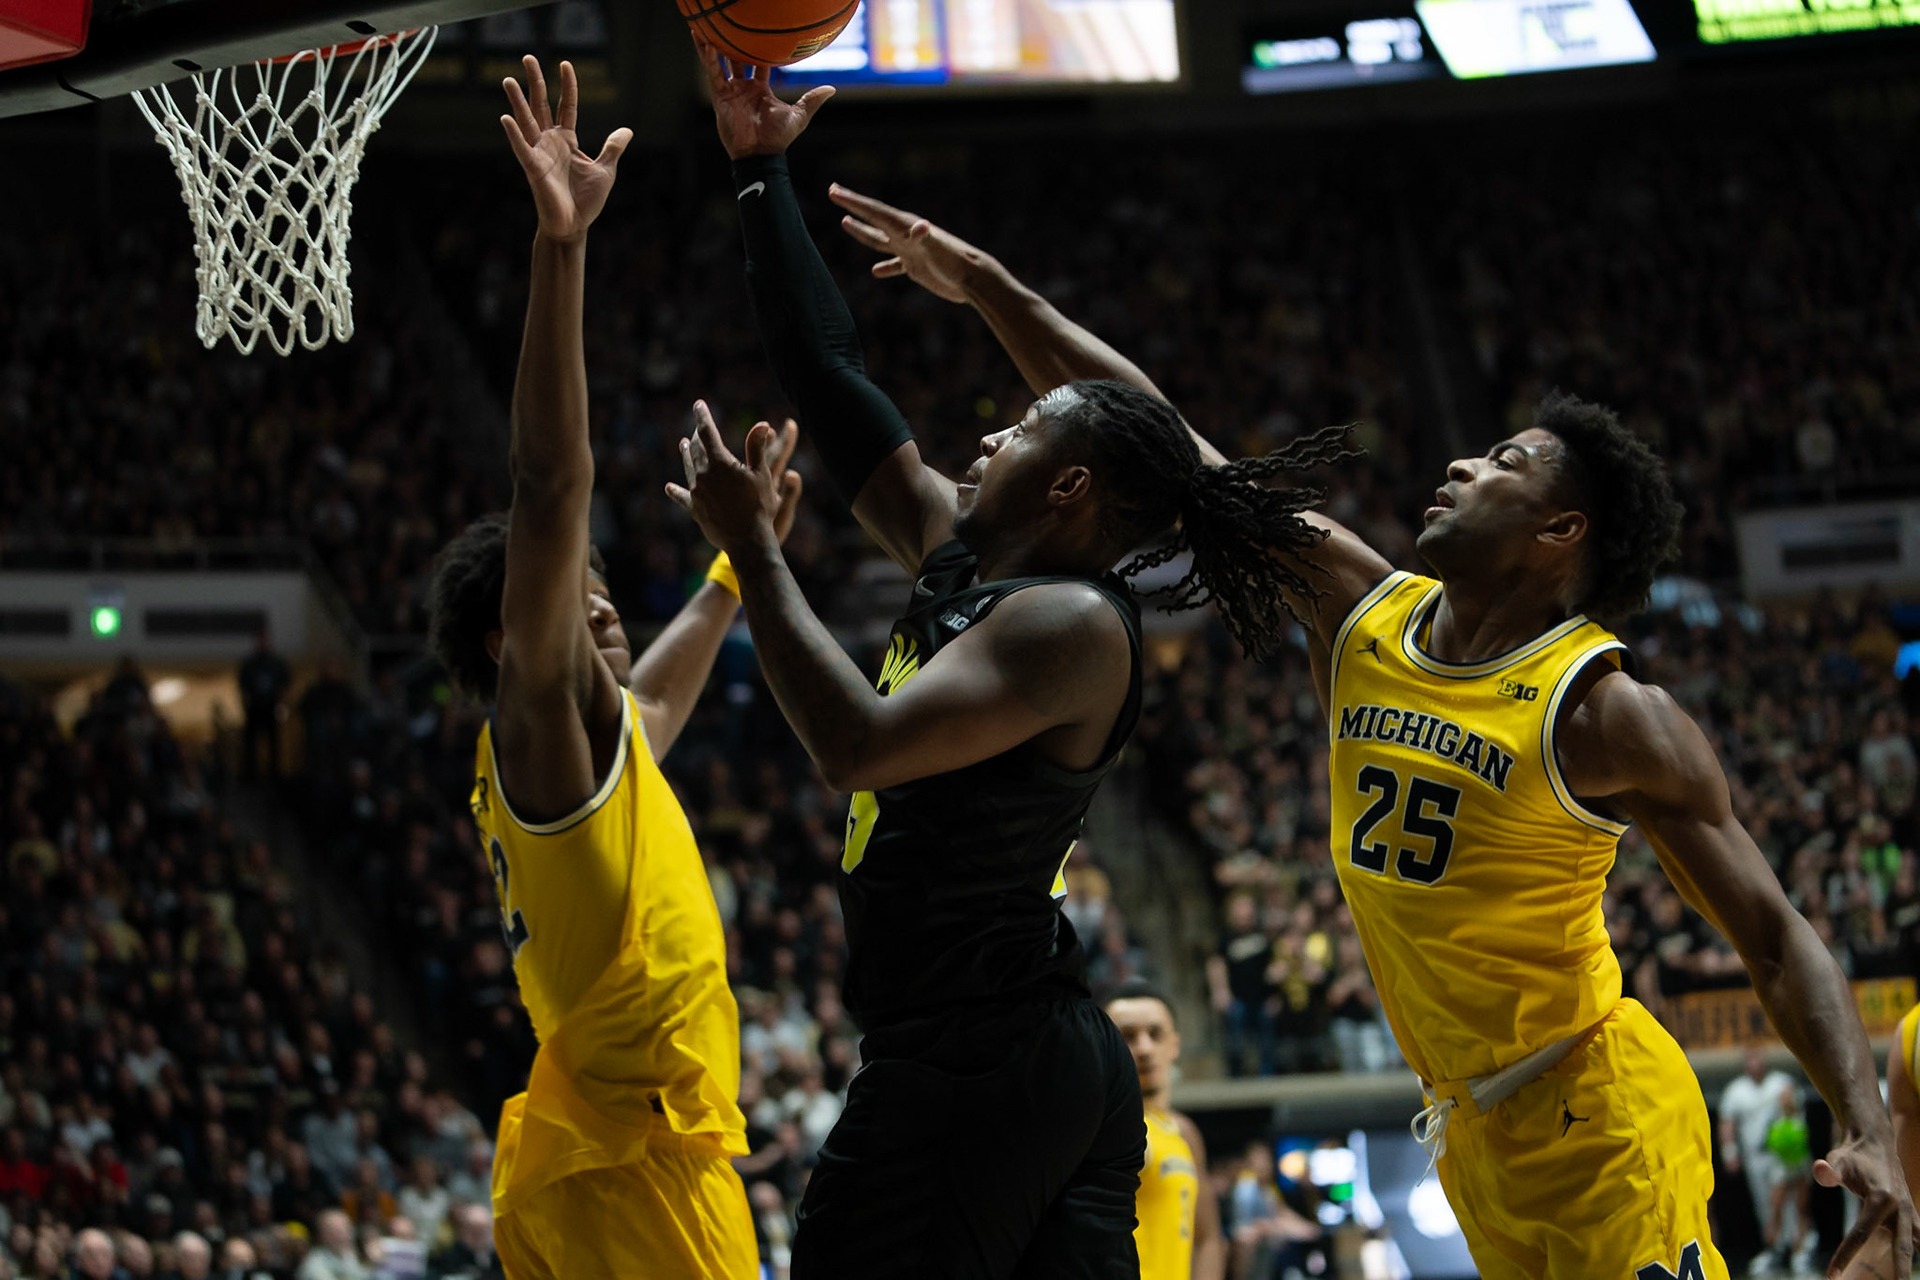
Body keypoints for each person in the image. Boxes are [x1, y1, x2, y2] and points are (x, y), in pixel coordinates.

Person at [819, 184, 1917, 1278]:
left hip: (1599, 1111)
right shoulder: (1361, 609)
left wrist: (1864, 1122)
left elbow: (1774, 932)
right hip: (1470, 1122)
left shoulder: (1605, 709)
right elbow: (1167, 450)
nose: (1462, 466)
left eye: (1504, 465)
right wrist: (987, 288)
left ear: (1559, 531)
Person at [688, 38, 1345, 1280]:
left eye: (1025, 424)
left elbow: (859, 748)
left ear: (1073, 485)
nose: (990, 430)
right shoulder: (962, 553)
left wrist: (755, 559)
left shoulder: (1073, 622)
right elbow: (831, 379)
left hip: (981, 1059)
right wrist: (758, 177)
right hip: (1002, 1052)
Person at [423, 56, 802, 1280]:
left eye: (602, 600)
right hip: (630, 1174)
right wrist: (563, 246)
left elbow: (659, 694)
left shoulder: (595, 741)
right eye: (575, 602)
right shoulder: (534, 724)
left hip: (633, 1161)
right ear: (509, 640)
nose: (603, 615)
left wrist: (737, 571)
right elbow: (550, 487)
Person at [1104, 982, 1225, 1280]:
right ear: (1105, 1047)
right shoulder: (1100, 1126)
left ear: (1175, 1044)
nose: (1144, 1048)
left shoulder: (1184, 1132)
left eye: (1155, 1034)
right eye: (1128, 1036)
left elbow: (1208, 1238)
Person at [1722, 1049, 1816, 1276]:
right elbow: (1727, 1123)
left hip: (1785, 1155)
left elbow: (1795, 1111)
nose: (1755, 1065)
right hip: (1755, 1157)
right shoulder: (1736, 1090)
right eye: (1750, 1060)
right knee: (1768, 1207)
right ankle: (1774, 1250)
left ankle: (1801, 1251)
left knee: (1796, 1206)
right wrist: (1729, 1151)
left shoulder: (1782, 1083)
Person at [236, 631, 291, 780]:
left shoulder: (277, 663)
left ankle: (274, 774)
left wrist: (282, 706)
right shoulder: (250, 664)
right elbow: (243, 689)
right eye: (260, 640)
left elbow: (285, 686)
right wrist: (246, 707)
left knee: (273, 743)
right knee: (251, 744)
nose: (263, 644)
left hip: (271, 708)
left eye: (265, 640)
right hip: (254, 708)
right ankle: (251, 774)